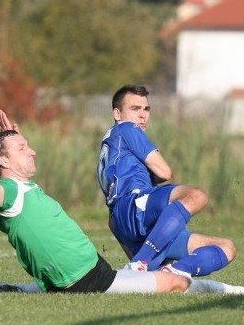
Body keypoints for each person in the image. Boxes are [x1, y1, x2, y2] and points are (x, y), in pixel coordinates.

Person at [0, 111, 244, 295]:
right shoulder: (9, 192)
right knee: (173, 283)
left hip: (72, 277)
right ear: (4, 159)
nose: (32, 151)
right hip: (91, 278)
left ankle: (17, 289)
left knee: (167, 276)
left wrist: (14, 136)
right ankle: (241, 290)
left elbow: (7, 183)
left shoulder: (20, 189)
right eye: (22, 148)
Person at [96, 84, 236, 277]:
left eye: (146, 109)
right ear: (117, 114)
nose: (143, 115)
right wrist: (139, 259)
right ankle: (142, 260)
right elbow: (164, 172)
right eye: (135, 109)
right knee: (197, 196)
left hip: (128, 221)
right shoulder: (126, 128)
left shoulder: (111, 148)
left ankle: (173, 271)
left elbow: (112, 222)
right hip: (136, 207)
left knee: (227, 247)